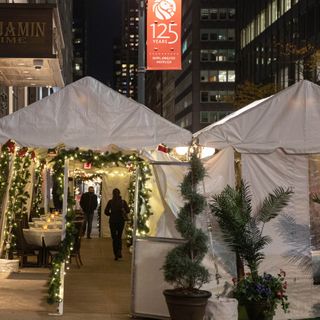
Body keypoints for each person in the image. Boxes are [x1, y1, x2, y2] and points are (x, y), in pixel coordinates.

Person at [104, 188, 129, 260]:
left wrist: (111, 214)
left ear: (113, 194)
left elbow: (106, 212)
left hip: (112, 221)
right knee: (119, 237)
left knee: (114, 238)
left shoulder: (110, 202)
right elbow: (128, 210)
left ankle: (116, 253)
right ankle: (119, 251)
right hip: (121, 221)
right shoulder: (123, 202)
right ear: (119, 193)